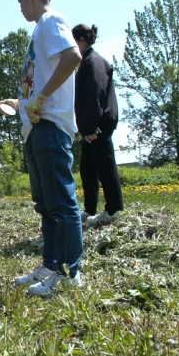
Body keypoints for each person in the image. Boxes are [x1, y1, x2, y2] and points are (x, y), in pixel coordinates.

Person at [0, 0, 83, 297]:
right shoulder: (39, 30)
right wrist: (19, 103)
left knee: (61, 202)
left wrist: (41, 99)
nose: (20, 9)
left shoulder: (50, 20)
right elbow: (38, 83)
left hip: (49, 126)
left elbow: (73, 57)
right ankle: (50, 265)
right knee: (45, 205)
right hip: (35, 126)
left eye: (20, 2)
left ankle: (70, 273)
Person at [72, 24, 124, 227]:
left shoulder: (93, 62)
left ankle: (112, 210)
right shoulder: (87, 62)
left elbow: (95, 95)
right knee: (87, 170)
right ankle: (90, 210)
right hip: (91, 127)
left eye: (72, 41)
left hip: (98, 127)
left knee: (105, 168)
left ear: (81, 40)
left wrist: (92, 127)